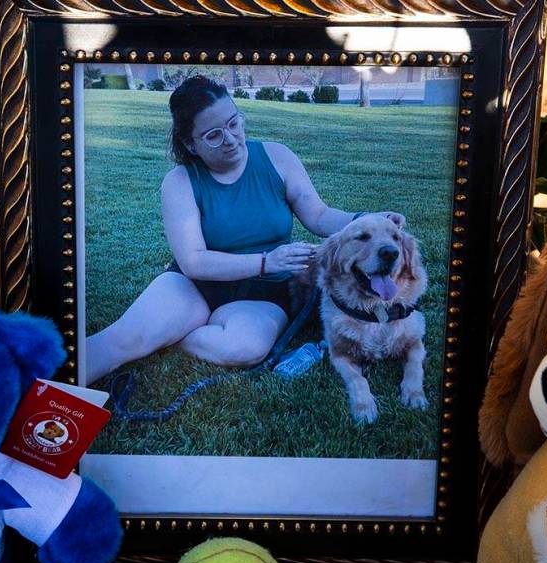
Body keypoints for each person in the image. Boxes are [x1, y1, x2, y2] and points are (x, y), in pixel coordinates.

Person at [85, 75, 404, 385]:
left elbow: (319, 215)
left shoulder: (277, 157)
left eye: (234, 123)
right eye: (213, 135)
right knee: (121, 341)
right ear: (190, 143)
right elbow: (193, 262)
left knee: (246, 348)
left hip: (263, 295)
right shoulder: (180, 181)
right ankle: (46, 395)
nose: (231, 139)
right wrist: (268, 260)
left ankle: (173, 332)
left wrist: (366, 217)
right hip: (195, 286)